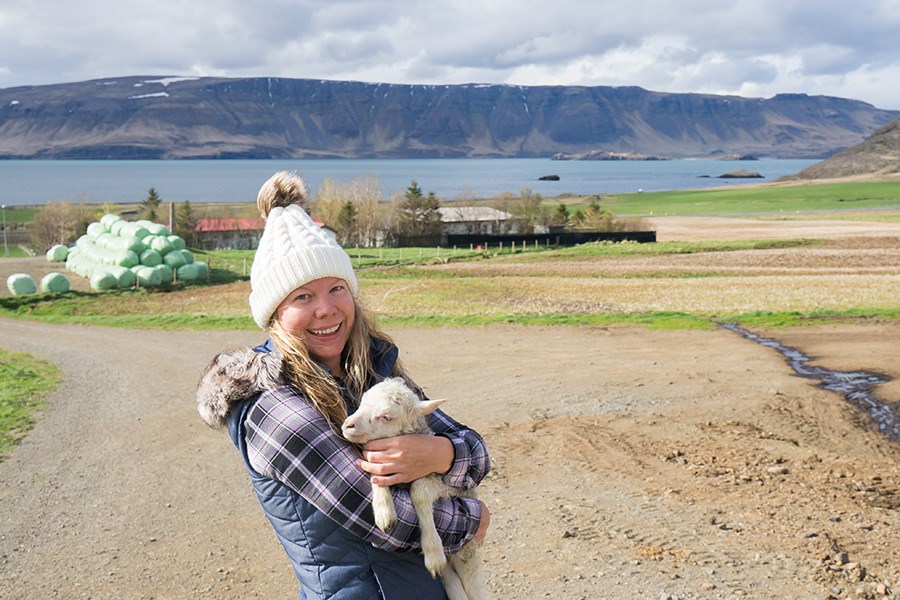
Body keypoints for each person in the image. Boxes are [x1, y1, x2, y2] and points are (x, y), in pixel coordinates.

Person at [197, 171, 490, 600]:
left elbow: (476, 450)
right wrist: (475, 518)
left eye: (337, 288)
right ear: (273, 312)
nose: (327, 309)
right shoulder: (270, 405)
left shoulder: (371, 373)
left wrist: (440, 453)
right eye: (302, 297)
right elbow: (386, 521)